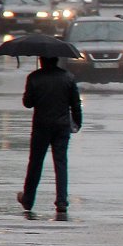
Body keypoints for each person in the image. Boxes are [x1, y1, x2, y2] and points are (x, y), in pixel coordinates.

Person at [17, 56, 82, 213]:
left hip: (41, 126)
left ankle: (28, 199)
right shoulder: (68, 77)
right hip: (62, 126)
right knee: (60, 163)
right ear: (57, 59)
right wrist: (77, 122)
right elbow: (75, 104)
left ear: (41, 60)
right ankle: (61, 201)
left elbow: (27, 103)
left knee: (35, 163)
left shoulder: (34, 77)